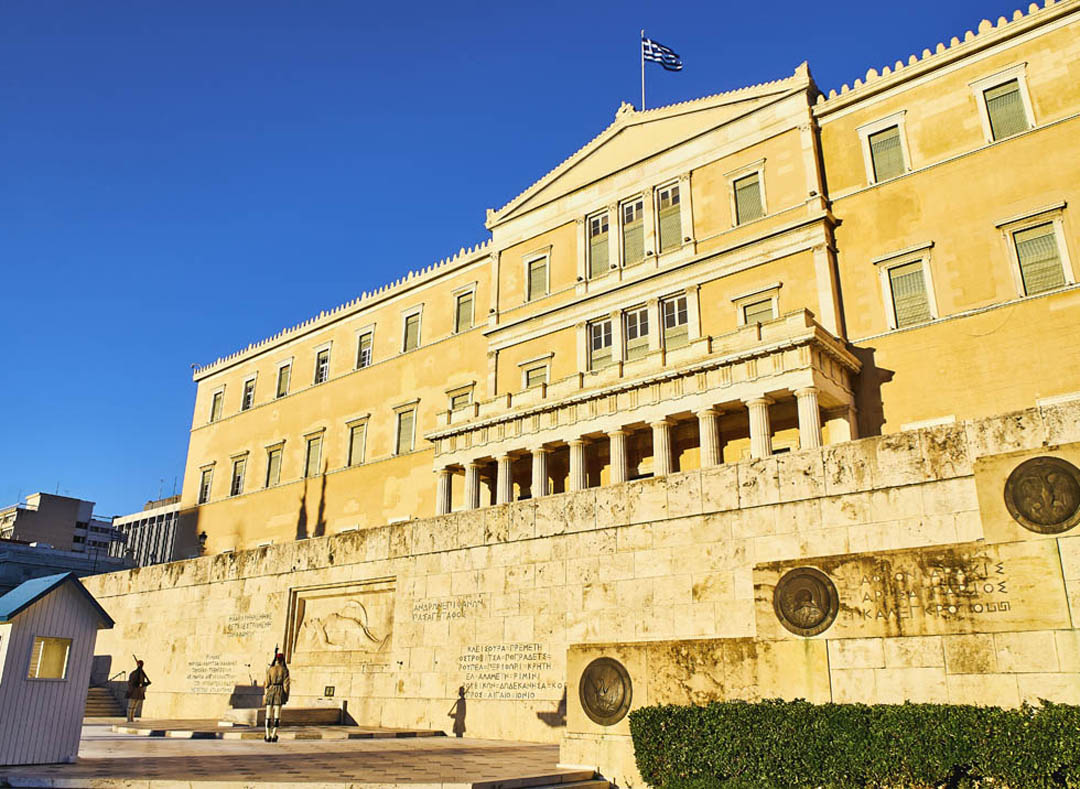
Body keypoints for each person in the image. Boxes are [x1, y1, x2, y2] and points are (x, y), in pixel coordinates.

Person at [263, 652, 290, 742]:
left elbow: (266, 684)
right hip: (279, 692)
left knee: (268, 715)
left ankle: (267, 735)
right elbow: (286, 685)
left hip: (271, 691)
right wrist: (286, 695)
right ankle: (274, 735)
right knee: (277, 716)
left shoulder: (271, 669)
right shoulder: (285, 670)